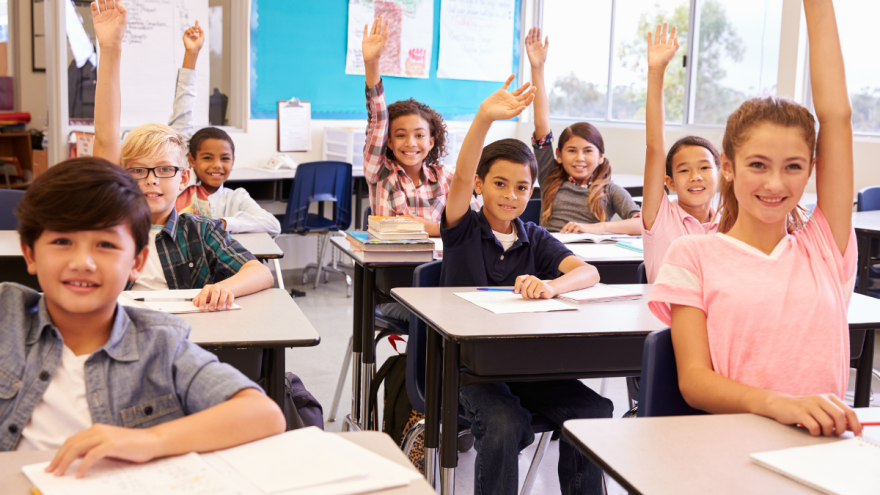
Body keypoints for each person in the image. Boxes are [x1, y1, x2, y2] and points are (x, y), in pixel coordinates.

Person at [648, 0, 863, 438]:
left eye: (793, 167)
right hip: (735, 447)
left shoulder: (824, 245)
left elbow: (837, 116)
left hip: (823, 452)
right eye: (758, 165)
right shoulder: (692, 254)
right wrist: (777, 405)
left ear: (812, 169)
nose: (775, 183)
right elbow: (694, 382)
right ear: (728, 166)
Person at [2, 157, 285, 477]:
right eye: (62, 242)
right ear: (30, 253)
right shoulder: (6, 316)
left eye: (105, 245)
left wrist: (148, 440)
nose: (83, 262)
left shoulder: (161, 343)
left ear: (136, 262)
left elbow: (264, 414)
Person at [442, 76, 612, 495]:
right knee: (503, 422)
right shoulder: (463, 230)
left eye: (522, 188)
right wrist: (484, 117)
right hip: (467, 373)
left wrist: (552, 287)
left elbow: (588, 272)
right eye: (499, 184)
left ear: (532, 192)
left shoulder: (533, 236)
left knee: (592, 409)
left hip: (522, 367)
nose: (511, 195)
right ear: (480, 186)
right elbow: (461, 175)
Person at [90, 0, 275, 310]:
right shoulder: (111, 222)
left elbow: (260, 273)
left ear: (184, 177)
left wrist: (222, 288)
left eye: (163, 170)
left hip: (183, 338)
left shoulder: (200, 230)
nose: (151, 181)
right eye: (138, 171)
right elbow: (106, 137)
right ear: (122, 176)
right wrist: (110, 48)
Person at [361, 16, 478, 238]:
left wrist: (432, 228)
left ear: (431, 141)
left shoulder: (445, 177)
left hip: (441, 266)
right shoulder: (380, 173)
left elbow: (475, 222)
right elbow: (378, 120)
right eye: (401, 135)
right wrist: (372, 64)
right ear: (389, 142)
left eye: (420, 135)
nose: (410, 143)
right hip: (395, 266)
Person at [525, 27, 641, 235]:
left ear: (600, 157)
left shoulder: (610, 190)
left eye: (588, 150)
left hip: (592, 260)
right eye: (571, 150)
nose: (580, 157)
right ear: (558, 155)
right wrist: (537, 68)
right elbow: (541, 124)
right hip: (549, 255)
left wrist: (598, 228)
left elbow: (641, 224)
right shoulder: (549, 175)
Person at [170, 24, 282, 236]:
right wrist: (191, 55)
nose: (217, 165)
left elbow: (273, 226)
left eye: (224, 158)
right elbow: (182, 112)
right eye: (207, 157)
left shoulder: (235, 197)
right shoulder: (179, 187)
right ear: (190, 159)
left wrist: (224, 223)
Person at [640, 23, 721, 282]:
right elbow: (655, 147)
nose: (696, 176)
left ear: (722, 173)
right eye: (684, 170)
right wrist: (656, 71)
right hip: (669, 322)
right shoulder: (660, 216)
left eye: (705, 167)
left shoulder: (731, 222)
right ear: (670, 182)